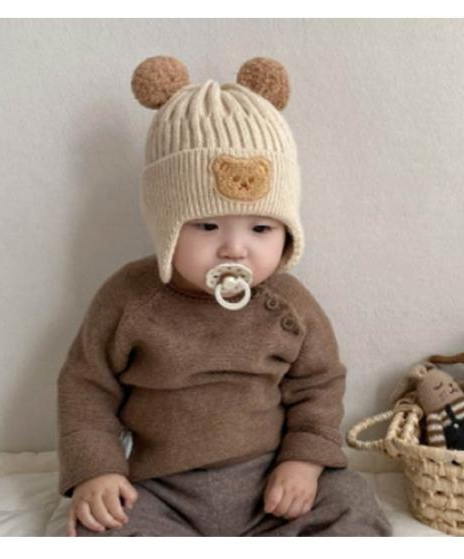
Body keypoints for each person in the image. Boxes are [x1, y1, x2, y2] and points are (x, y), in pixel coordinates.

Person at [57, 56, 391, 537]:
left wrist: (303, 461)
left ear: (287, 231)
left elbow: (319, 385)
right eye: (207, 225)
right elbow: (86, 386)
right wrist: (96, 471)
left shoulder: (289, 303)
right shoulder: (129, 298)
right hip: (159, 489)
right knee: (97, 527)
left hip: (271, 484)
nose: (235, 248)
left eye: (261, 228)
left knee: (353, 501)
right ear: (166, 225)